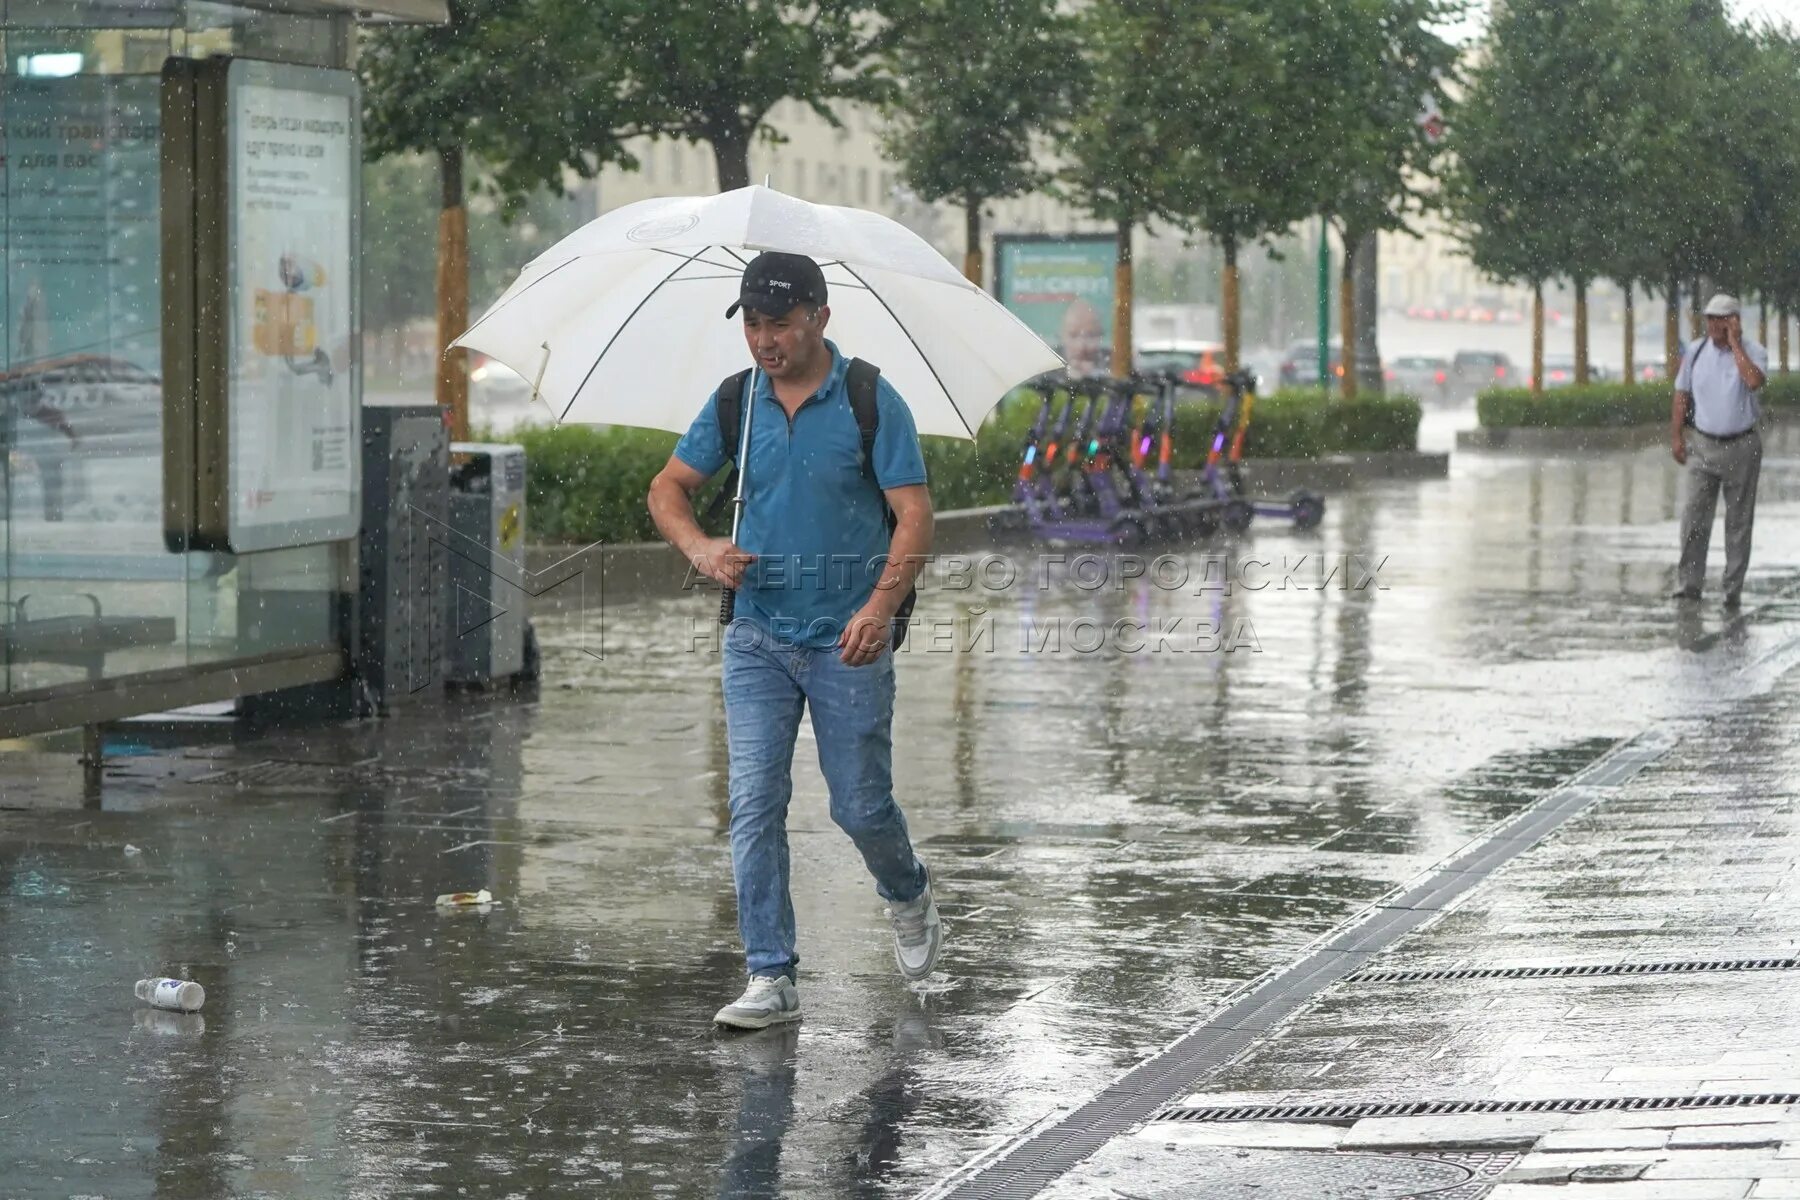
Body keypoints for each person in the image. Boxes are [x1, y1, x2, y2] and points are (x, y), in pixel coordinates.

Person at [646, 251, 944, 1030]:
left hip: (850, 638)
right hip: (757, 636)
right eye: (751, 323)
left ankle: (907, 890)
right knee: (753, 803)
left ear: (820, 317)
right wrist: (702, 549)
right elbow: (667, 488)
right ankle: (771, 974)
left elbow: (913, 515)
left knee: (858, 806)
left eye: (779, 322)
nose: (763, 339)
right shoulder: (734, 403)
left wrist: (879, 607)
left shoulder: (870, 399)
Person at [1671, 293, 1767, 608]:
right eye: (1711, 318)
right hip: (1703, 445)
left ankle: (1732, 588)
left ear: (1735, 321)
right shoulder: (1696, 352)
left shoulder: (1754, 352)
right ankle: (1689, 585)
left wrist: (1735, 345)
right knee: (1694, 518)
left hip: (1743, 445)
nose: (1714, 324)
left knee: (1738, 521)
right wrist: (1676, 436)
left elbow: (1753, 381)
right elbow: (1681, 394)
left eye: (1722, 318)